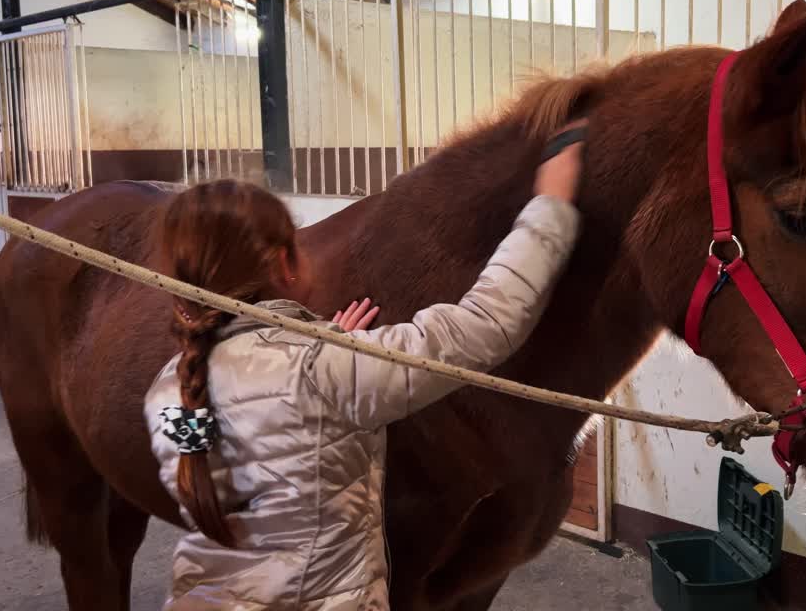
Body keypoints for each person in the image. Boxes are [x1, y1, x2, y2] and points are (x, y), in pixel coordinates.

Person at [143, 124, 586, 610]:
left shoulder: (169, 391)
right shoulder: (324, 372)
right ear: (286, 263)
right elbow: (486, 323)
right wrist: (551, 207)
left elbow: (262, 434)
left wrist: (324, 345)